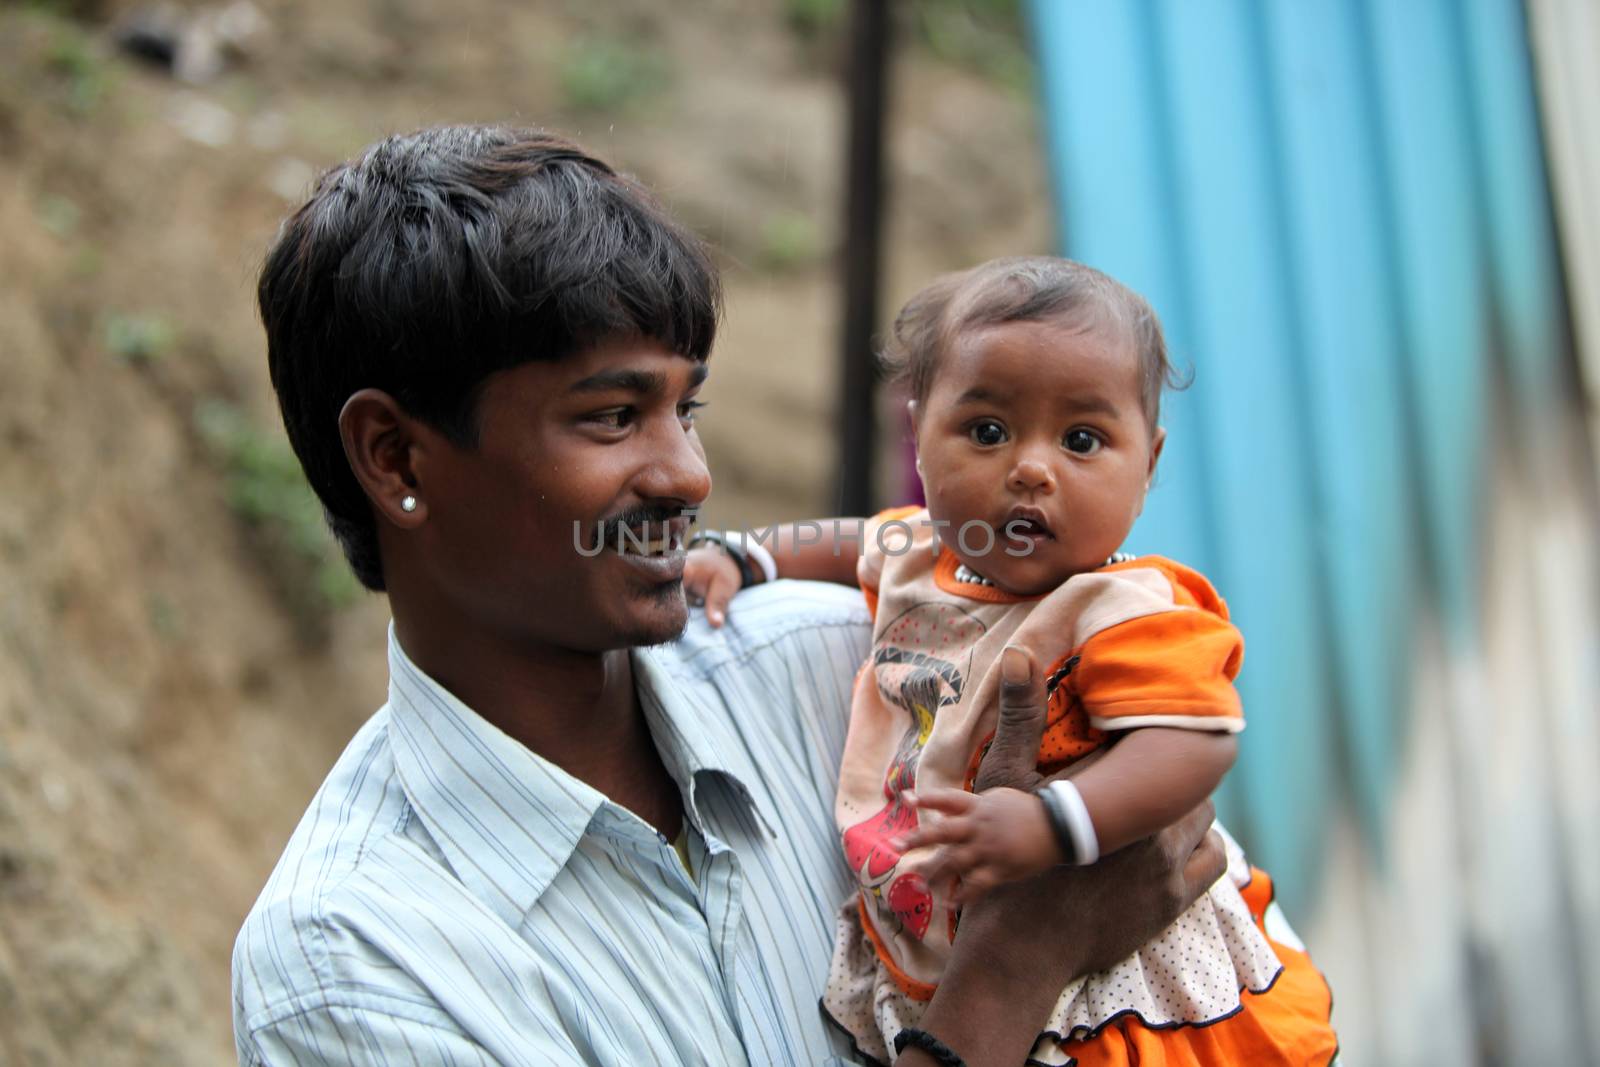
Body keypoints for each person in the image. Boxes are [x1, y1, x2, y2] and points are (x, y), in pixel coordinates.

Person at [233, 124, 1235, 1067]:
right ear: (396, 454)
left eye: (686, 407)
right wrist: (1008, 971)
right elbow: (1056, 927)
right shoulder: (359, 965)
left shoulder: (863, 666)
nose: (686, 474)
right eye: (612, 415)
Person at [684, 258, 1339, 1065]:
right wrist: (745, 556)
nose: (1031, 467)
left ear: (1151, 463)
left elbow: (1196, 740)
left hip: (1116, 961)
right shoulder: (921, 555)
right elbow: (852, 540)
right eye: (988, 432)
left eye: (1082, 439)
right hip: (961, 950)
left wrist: (1057, 822)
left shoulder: (1120, 608)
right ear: (920, 436)